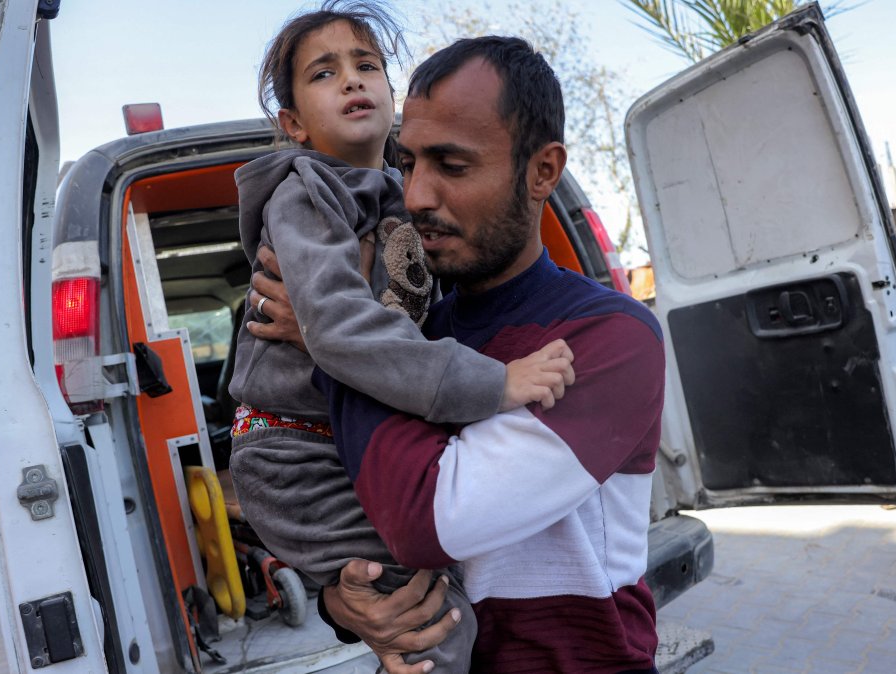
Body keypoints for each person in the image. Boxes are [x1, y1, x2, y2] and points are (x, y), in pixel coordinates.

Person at [252, 36, 666, 674]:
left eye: (452, 164)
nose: (415, 194)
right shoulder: (417, 338)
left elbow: (424, 520)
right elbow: (369, 520)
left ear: (543, 171)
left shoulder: (608, 338)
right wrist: (347, 600)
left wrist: (328, 345)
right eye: (409, 162)